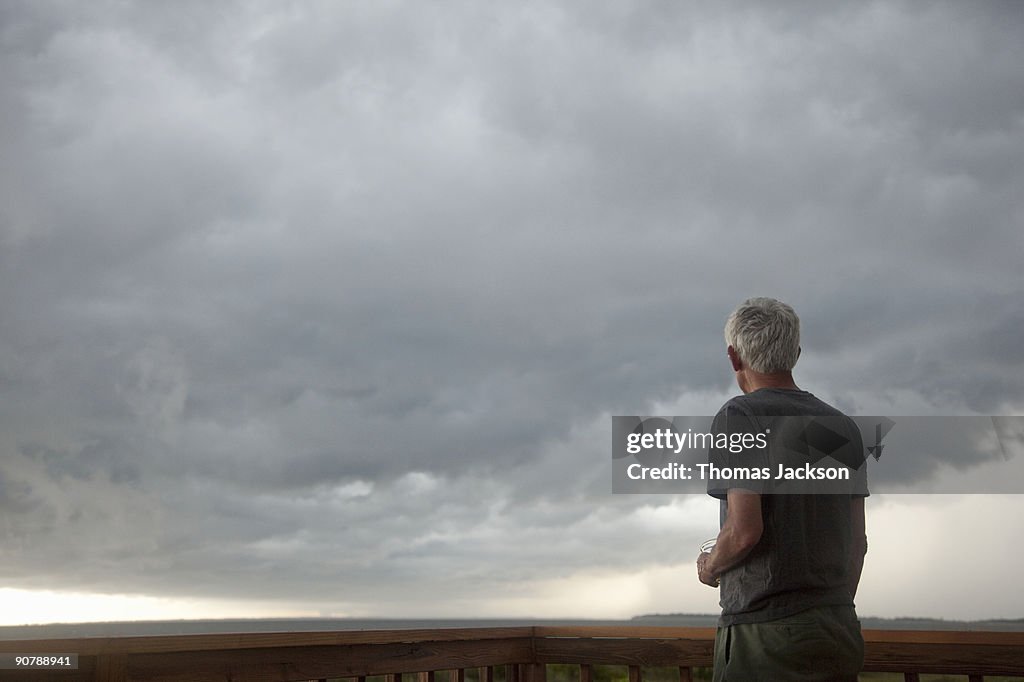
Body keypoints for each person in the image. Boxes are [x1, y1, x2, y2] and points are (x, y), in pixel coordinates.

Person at [696, 297, 868, 682]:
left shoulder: (739, 416)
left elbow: (744, 532)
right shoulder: (843, 427)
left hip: (764, 636)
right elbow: (857, 543)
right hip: (837, 628)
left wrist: (710, 567)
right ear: (796, 354)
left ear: (733, 357)